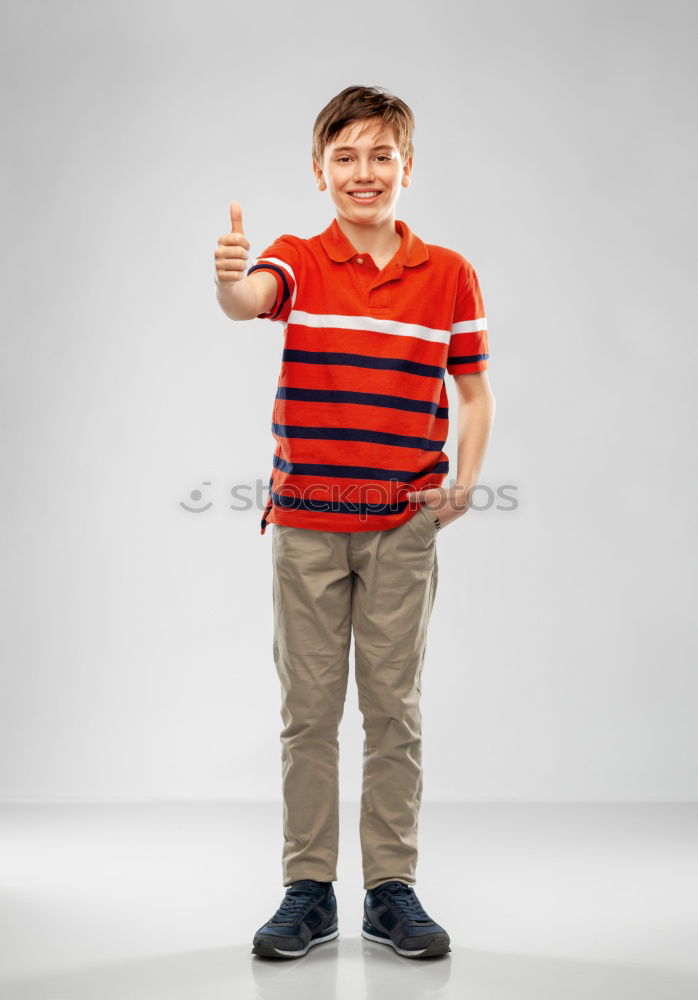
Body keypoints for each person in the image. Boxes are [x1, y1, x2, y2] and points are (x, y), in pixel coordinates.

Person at [214, 84, 495, 960]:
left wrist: (464, 484)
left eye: (382, 156)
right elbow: (251, 298)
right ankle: (308, 890)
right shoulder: (299, 256)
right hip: (306, 522)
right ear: (320, 170)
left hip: (403, 528)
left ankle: (389, 891)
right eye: (347, 156)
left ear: (407, 168)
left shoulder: (448, 273)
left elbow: (475, 389)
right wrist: (230, 282)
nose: (364, 172)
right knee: (308, 710)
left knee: (392, 709)